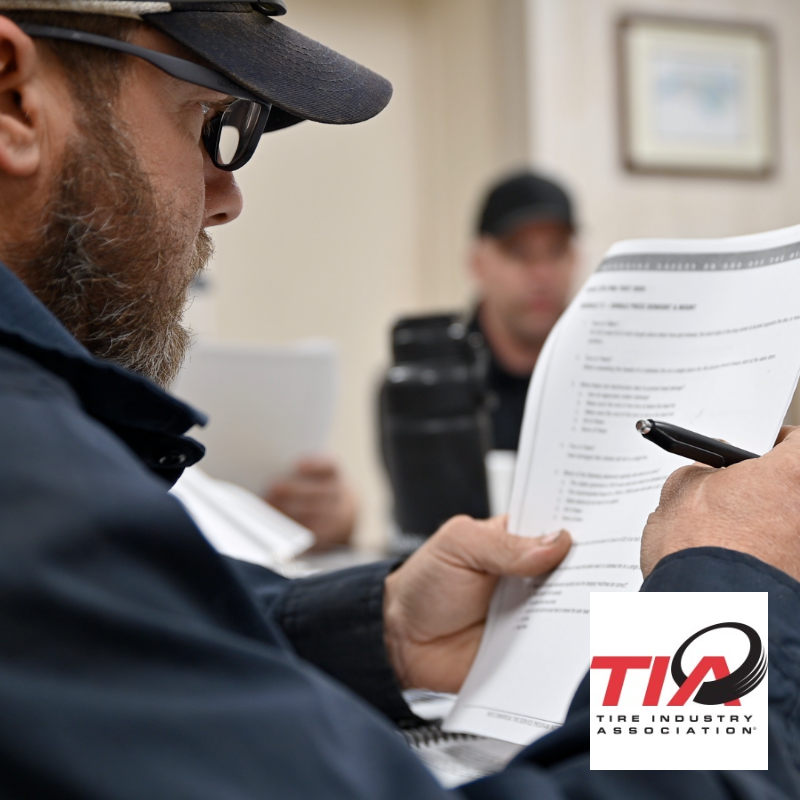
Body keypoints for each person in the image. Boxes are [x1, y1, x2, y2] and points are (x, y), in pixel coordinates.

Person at [0, 4, 797, 799]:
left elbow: (132, 631)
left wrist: (378, 626)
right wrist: (727, 585)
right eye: (210, 122)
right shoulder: (27, 488)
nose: (227, 196)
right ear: (14, 100)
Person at [469, 171, 578, 450]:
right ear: (478, 263)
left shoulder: (608, 371)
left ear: (575, 259)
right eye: (519, 252)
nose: (542, 273)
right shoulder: (436, 380)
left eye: (556, 251)